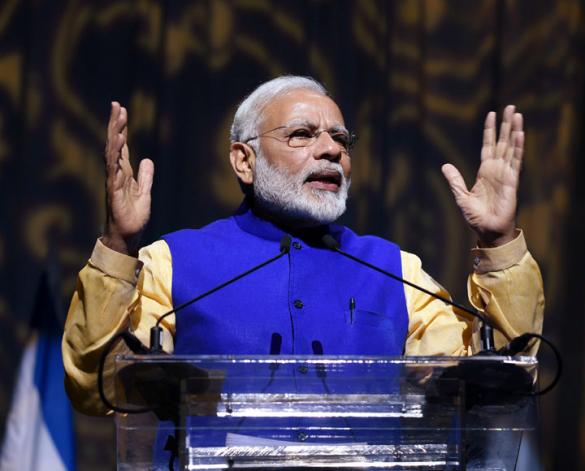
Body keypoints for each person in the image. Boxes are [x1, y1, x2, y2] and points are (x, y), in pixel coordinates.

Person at [62, 76, 544, 416]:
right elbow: (97, 386)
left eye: (340, 139)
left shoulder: (393, 270)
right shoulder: (173, 263)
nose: (331, 150)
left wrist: (497, 240)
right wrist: (118, 244)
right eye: (302, 135)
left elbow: (499, 380)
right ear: (244, 161)